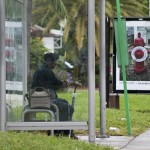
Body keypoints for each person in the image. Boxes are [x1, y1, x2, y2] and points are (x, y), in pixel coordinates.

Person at [31, 52, 77, 139]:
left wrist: (65, 83)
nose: (55, 64)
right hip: (43, 100)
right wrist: (68, 83)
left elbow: (52, 84)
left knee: (64, 103)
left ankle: (62, 131)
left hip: (39, 99)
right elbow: (57, 83)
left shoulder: (41, 70)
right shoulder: (46, 71)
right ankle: (62, 133)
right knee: (68, 107)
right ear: (49, 61)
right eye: (54, 61)